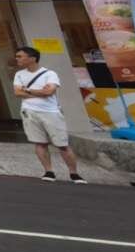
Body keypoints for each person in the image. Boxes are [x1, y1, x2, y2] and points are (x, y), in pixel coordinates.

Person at [13, 46, 85, 184]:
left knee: (62, 144)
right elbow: (17, 93)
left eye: (20, 56)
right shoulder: (19, 74)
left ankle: (74, 173)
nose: (17, 59)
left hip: (51, 112)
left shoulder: (49, 74)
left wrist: (26, 90)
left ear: (32, 58)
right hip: (29, 111)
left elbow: (49, 92)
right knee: (40, 143)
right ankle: (48, 171)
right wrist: (39, 92)